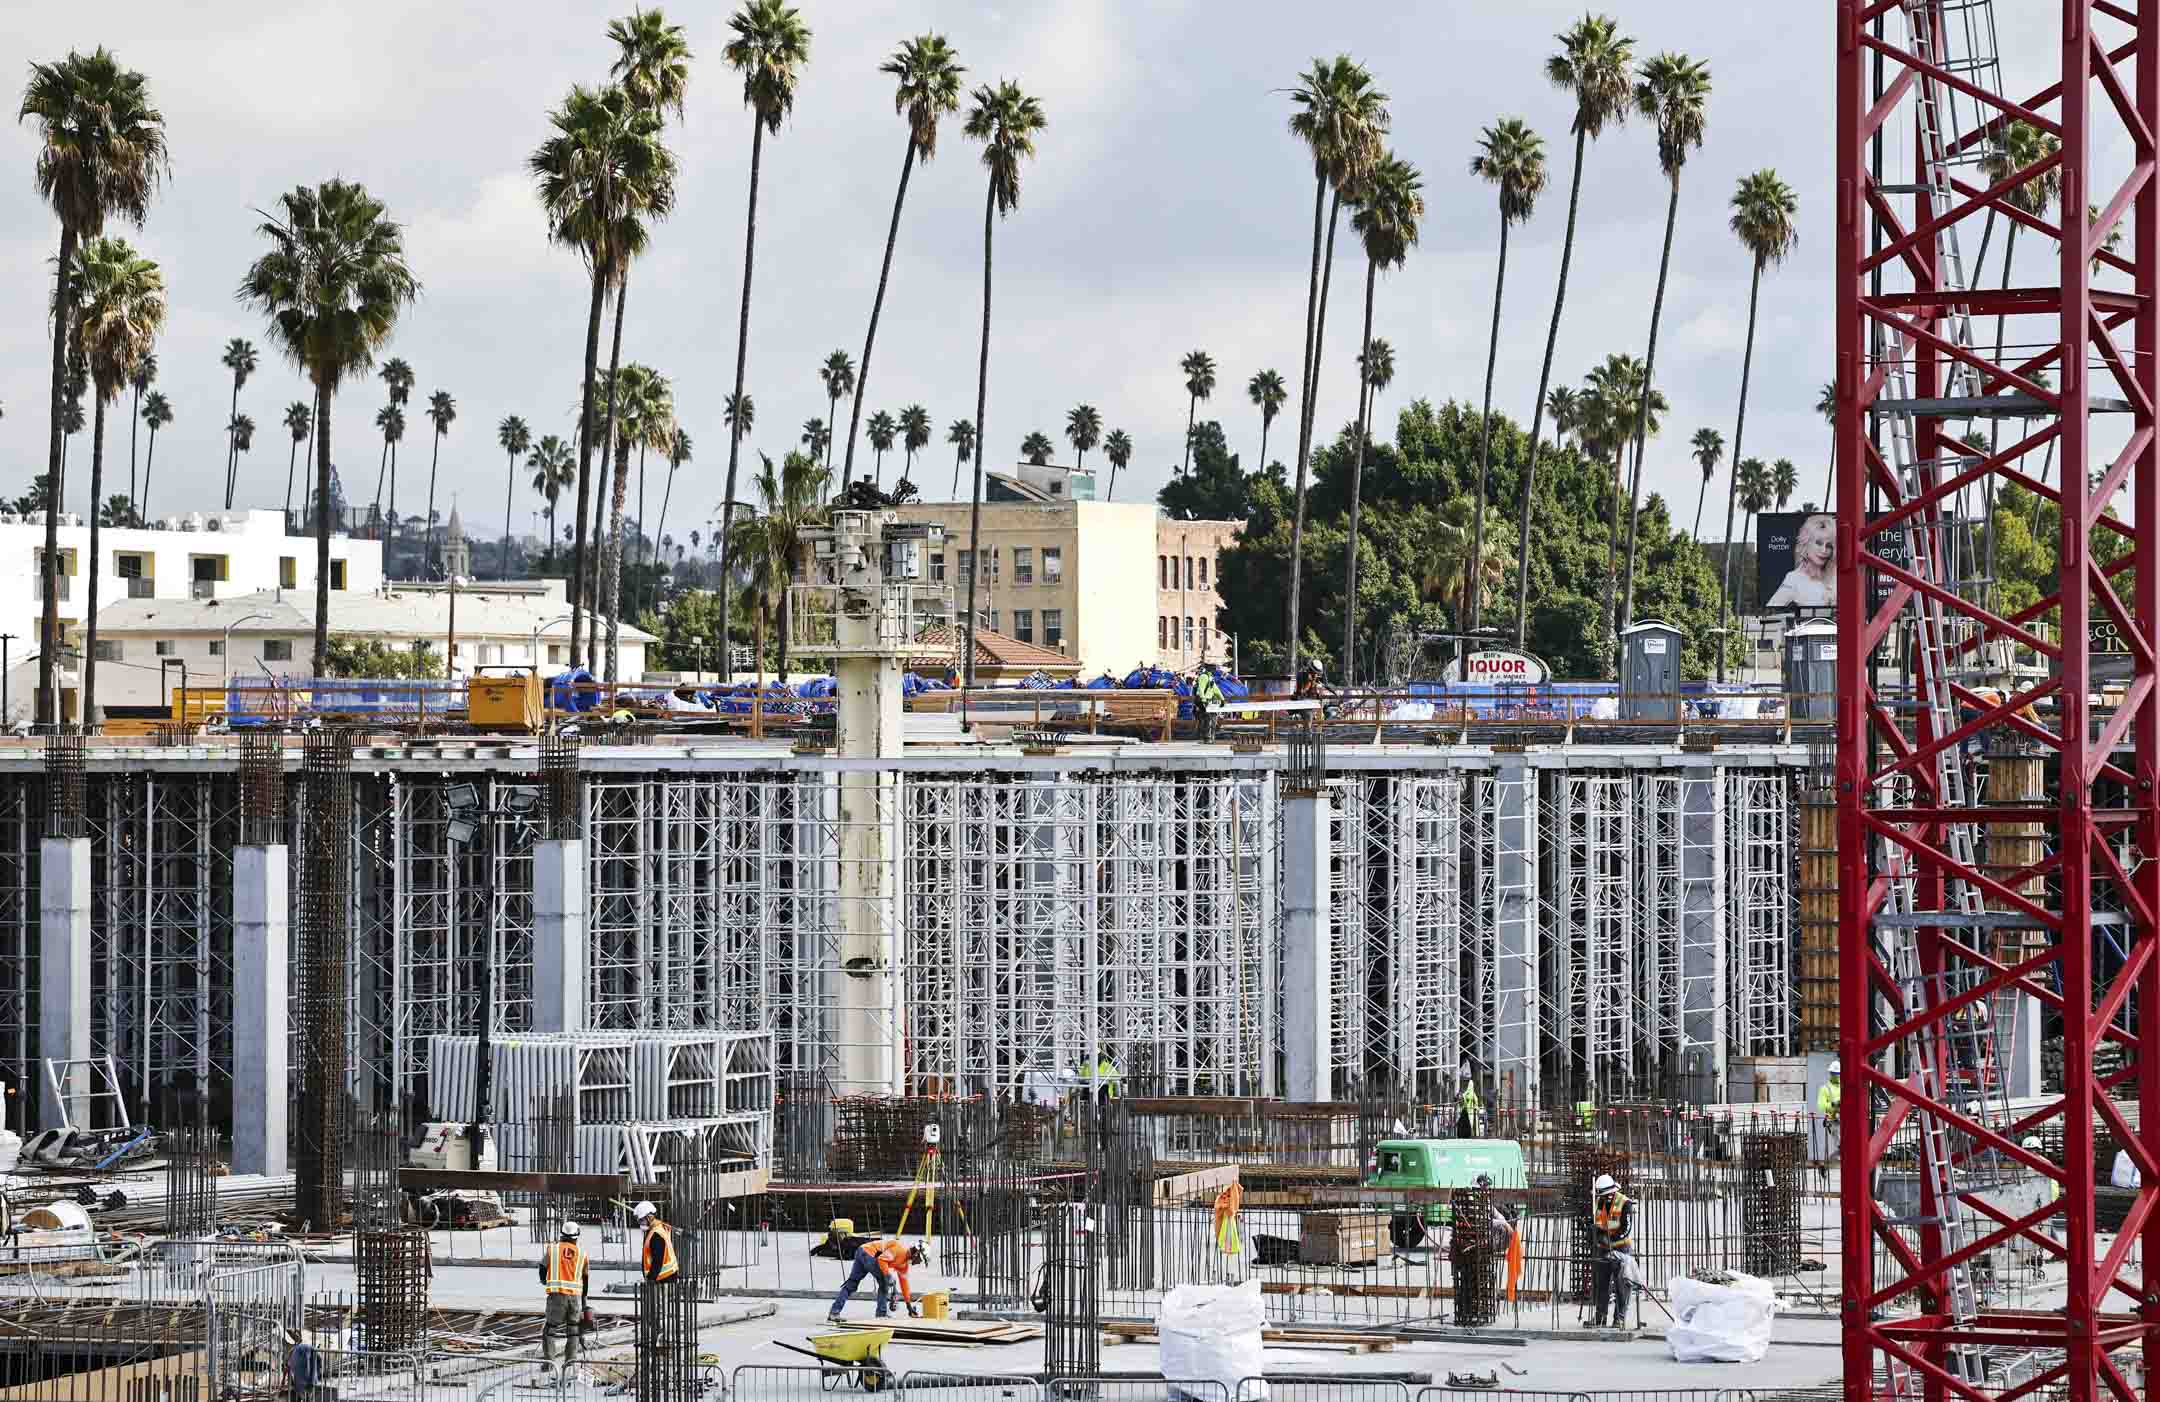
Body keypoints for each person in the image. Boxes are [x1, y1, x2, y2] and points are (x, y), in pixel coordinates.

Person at [829, 1236, 924, 1322]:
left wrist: (909, 1306)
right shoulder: (899, 1250)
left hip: (861, 1251)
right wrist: (887, 1276)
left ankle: (834, 1313)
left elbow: (905, 1285)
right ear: (916, 1254)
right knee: (884, 1283)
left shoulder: (904, 1265)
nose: (918, 1263)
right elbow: (881, 1260)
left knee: (851, 1284)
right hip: (869, 1254)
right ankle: (881, 1313)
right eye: (920, 1260)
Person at [538, 1220, 590, 1372]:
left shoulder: (552, 1249)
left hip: (557, 1296)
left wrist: (544, 1280)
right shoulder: (582, 1254)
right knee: (573, 1330)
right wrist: (584, 1299)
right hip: (574, 1298)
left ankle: (549, 1363)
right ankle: (570, 1362)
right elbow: (585, 1278)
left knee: (550, 1329)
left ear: (562, 1234)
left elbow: (542, 1267)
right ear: (576, 1237)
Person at [1589, 1173, 1635, 1329]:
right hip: (1603, 1248)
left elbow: (1626, 1229)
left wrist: (1611, 1241)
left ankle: (1619, 1319)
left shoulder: (1625, 1203)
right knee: (1601, 1284)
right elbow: (1599, 1222)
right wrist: (1597, 1235)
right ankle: (1600, 1318)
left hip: (1621, 1248)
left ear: (1613, 1192)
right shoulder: (1599, 1202)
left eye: (1607, 1195)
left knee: (1621, 1284)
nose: (1604, 1197)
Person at [1765, 513, 1835, 609]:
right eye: (1818, 543)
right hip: (1809, 623)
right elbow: (1771, 608)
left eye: (1829, 546)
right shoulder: (1794, 579)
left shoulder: (1835, 575)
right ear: (1806, 543)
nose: (1824, 550)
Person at [1818, 1060, 1842, 1159]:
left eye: (1837, 1073)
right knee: (1841, 1146)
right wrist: (1834, 1104)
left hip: (1845, 1120)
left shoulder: (1845, 1086)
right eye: (1833, 1073)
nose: (1835, 1075)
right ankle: (1828, 1162)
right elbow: (1821, 1105)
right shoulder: (1825, 1088)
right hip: (1833, 1122)